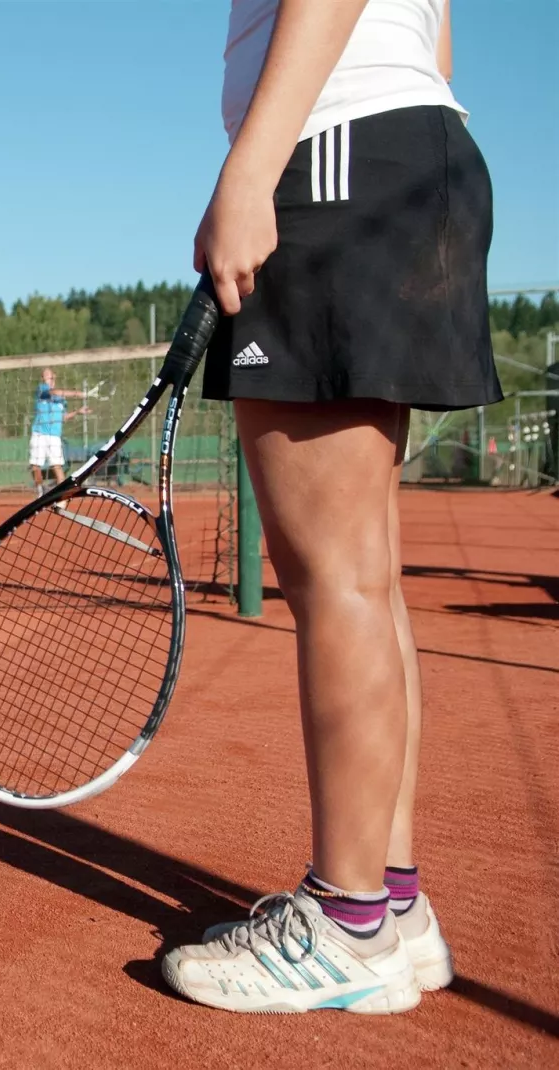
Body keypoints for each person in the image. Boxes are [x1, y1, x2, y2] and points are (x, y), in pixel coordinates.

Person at [159, 0, 501, 1014]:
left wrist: (254, 166)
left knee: (337, 578)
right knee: (366, 574)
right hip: (405, 150)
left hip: (337, 151)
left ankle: (347, 916)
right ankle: (390, 906)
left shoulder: (318, 140)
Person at [28, 368, 91, 495]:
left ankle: (61, 495)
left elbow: (63, 417)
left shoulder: (62, 400)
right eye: (46, 377)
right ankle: (40, 492)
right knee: (35, 466)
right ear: (43, 380)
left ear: (54, 378)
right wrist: (79, 394)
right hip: (39, 434)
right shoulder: (42, 389)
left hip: (55, 437)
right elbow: (54, 392)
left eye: (50, 377)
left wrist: (78, 412)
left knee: (57, 465)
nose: (49, 380)